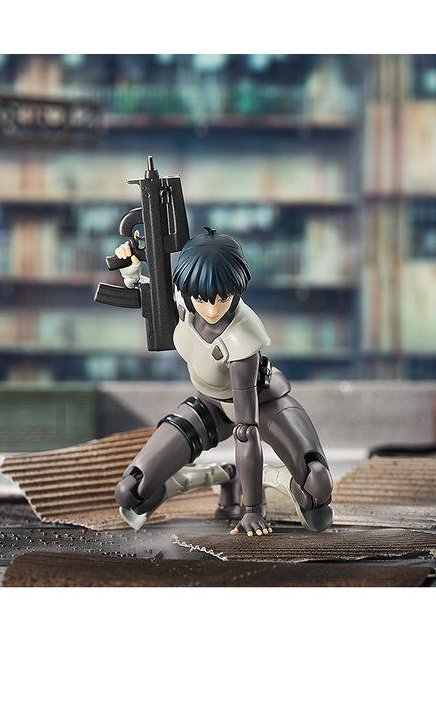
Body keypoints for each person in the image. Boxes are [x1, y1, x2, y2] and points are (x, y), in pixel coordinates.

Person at [113, 226, 334, 537]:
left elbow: (246, 430)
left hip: (262, 405)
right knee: (130, 491)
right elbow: (152, 295)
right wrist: (133, 270)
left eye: (223, 298)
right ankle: (213, 477)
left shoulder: (242, 337)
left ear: (236, 290)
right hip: (210, 406)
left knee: (317, 485)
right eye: (203, 299)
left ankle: (277, 479)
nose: (213, 309)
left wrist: (252, 509)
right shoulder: (183, 301)